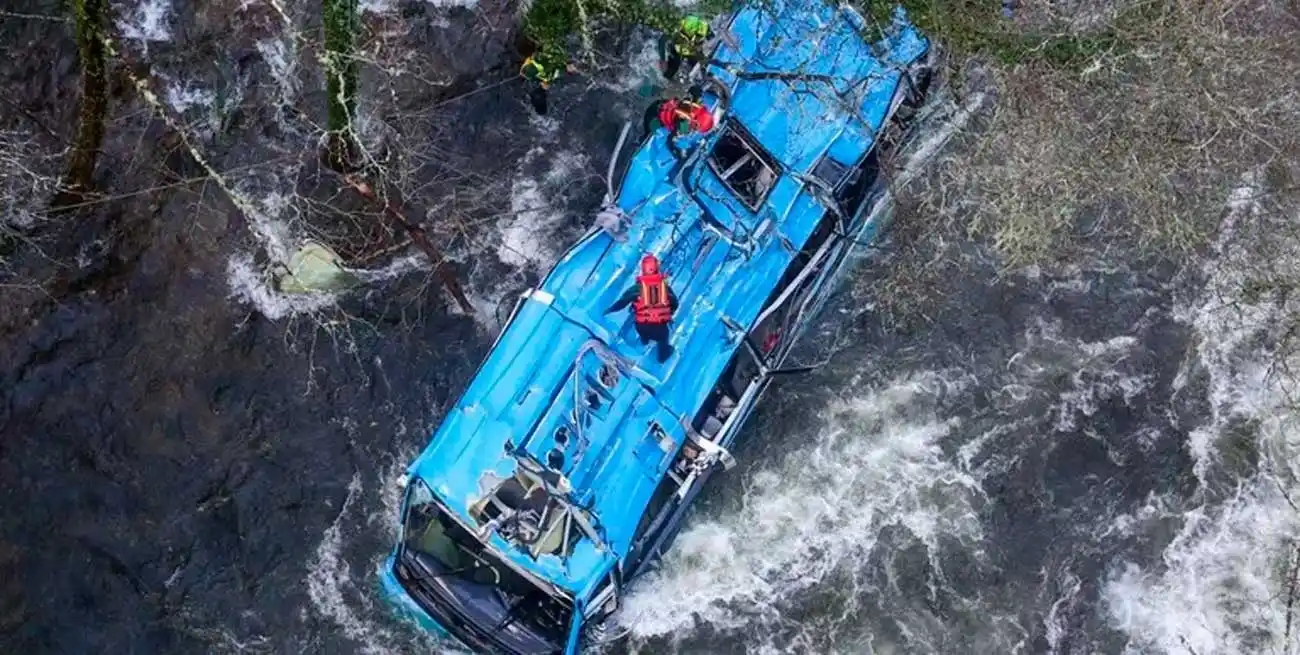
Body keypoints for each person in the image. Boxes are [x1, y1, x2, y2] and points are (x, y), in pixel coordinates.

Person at [606, 254, 679, 362]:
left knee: (640, 324)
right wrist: (668, 312)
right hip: (660, 329)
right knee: (664, 337)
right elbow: (675, 303)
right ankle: (662, 356)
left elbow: (622, 302)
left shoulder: (637, 288)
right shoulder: (665, 288)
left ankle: (645, 340)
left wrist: (609, 310)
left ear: (643, 270)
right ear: (657, 270)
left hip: (642, 327)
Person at [519, 51, 574, 115]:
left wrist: (541, 83)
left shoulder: (535, 91)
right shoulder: (538, 96)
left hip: (534, 73)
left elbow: (528, 79)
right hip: (538, 77)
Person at [659, 15, 710, 82]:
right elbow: (662, 40)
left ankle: (705, 79)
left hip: (693, 50)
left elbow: (712, 37)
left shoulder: (703, 27)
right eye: (684, 32)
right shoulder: (676, 29)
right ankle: (670, 79)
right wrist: (662, 59)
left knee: (701, 66)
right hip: (677, 50)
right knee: (671, 70)